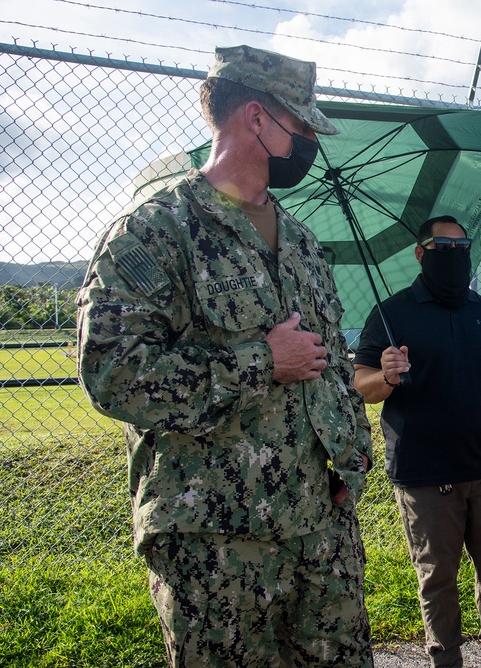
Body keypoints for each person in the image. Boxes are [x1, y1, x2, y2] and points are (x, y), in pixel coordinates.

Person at [77, 45, 373, 666]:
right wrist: (260, 361)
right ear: (258, 119)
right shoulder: (156, 230)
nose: (310, 143)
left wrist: (348, 460)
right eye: (301, 127)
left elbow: (333, 363)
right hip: (216, 540)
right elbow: (113, 373)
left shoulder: (299, 239)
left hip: (320, 531)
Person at [352, 215, 481, 668]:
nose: (456, 254)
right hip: (424, 475)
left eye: (464, 247)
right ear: (421, 253)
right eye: (444, 246)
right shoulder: (392, 314)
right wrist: (386, 374)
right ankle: (446, 660)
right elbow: (362, 386)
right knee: (437, 579)